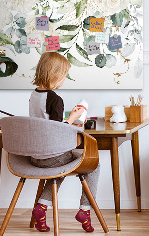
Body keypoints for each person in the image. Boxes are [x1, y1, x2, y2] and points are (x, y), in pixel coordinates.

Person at [29, 52, 99, 233]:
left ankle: (41, 208)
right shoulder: (55, 99)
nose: (63, 80)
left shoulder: (34, 95)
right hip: (52, 156)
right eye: (63, 76)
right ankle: (85, 210)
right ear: (55, 75)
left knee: (59, 167)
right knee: (94, 164)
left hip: (35, 156)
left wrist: (69, 119)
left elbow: (46, 124)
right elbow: (57, 131)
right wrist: (74, 118)